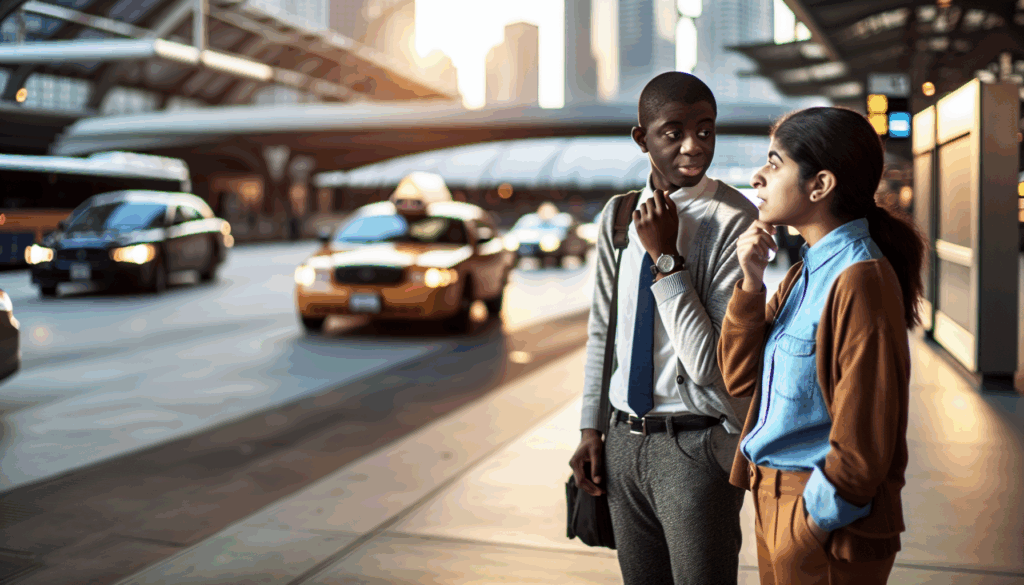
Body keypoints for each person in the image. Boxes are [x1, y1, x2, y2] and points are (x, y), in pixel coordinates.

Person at [717, 107, 925, 585]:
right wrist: (751, 283)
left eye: (775, 163)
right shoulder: (802, 274)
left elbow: (865, 440)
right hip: (772, 500)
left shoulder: (859, 280)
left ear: (820, 185)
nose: (758, 176)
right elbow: (738, 377)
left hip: (823, 521)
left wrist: (808, 526)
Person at [569, 71, 758, 584]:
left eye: (705, 130)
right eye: (673, 133)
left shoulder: (734, 220)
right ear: (642, 138)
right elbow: (603, 330)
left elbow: (710, 364)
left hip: (696, 444)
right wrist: (591, 429)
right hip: (622, 439)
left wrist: (666, 256)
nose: (693, 146)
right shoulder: (618, 216)